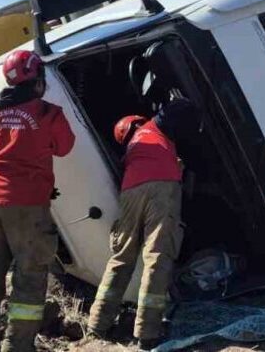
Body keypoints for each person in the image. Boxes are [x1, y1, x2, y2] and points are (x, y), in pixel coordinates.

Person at [0, 49, 76, 352]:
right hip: (27, 205)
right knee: (29, 277)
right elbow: (65, 147)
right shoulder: (48, 112)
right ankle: (16, 347)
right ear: (38, 79)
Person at [87, 97, 197, 349]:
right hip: (163, 187)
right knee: (157, 258)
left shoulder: (130, 152)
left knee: (121, 258)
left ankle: (98, 322)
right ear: (137, 122)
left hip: (130, 191)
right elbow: (176, 110)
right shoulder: (152, 128)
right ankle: (147, 333)